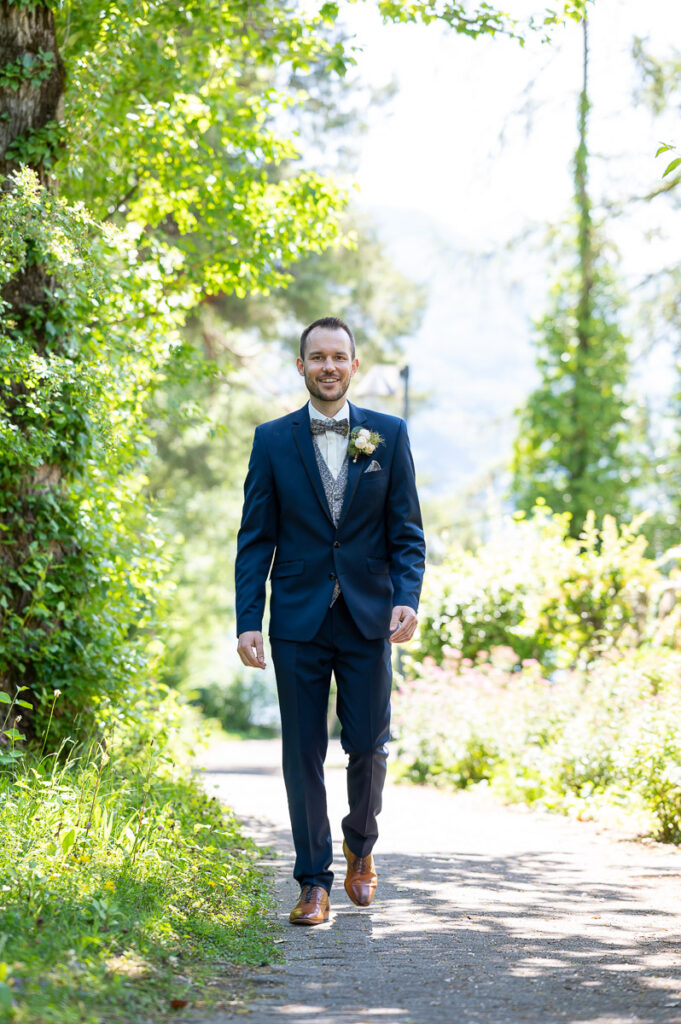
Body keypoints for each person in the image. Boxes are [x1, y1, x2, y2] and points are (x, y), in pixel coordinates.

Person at [235, 316, 425, 926]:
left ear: (354, 364)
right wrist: (248, 619)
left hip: (370, 614)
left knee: (368, 745)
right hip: (296, 617)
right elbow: (254, 539)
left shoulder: (387, 435)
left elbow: (408, 532)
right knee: (302, 751)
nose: (328, 366)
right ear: (301, 367)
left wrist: (408, 596)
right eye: (317, 357)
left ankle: (360, 849)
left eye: (339, 356)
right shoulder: (271, 440)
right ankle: (312, 881)